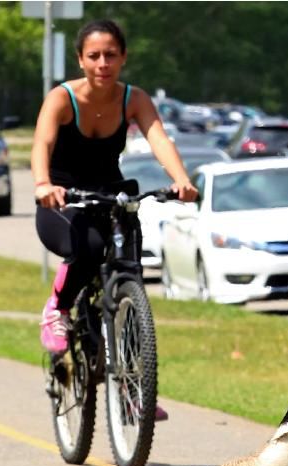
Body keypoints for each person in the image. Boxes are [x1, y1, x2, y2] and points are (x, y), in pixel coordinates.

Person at [32, 19, 197, 360]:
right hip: (62, 199)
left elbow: (159, 139)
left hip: (110, 193)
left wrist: (182, 179)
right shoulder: (62, 99)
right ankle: (57, 309)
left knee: (129, 272)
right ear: (80, 60)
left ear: (123, 57)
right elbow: (42, 144)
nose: (102, 64)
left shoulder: (133, 99)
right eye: (94, 56)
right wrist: (43, 184)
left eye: (110, 55)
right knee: (90, 248)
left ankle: (136, 388)